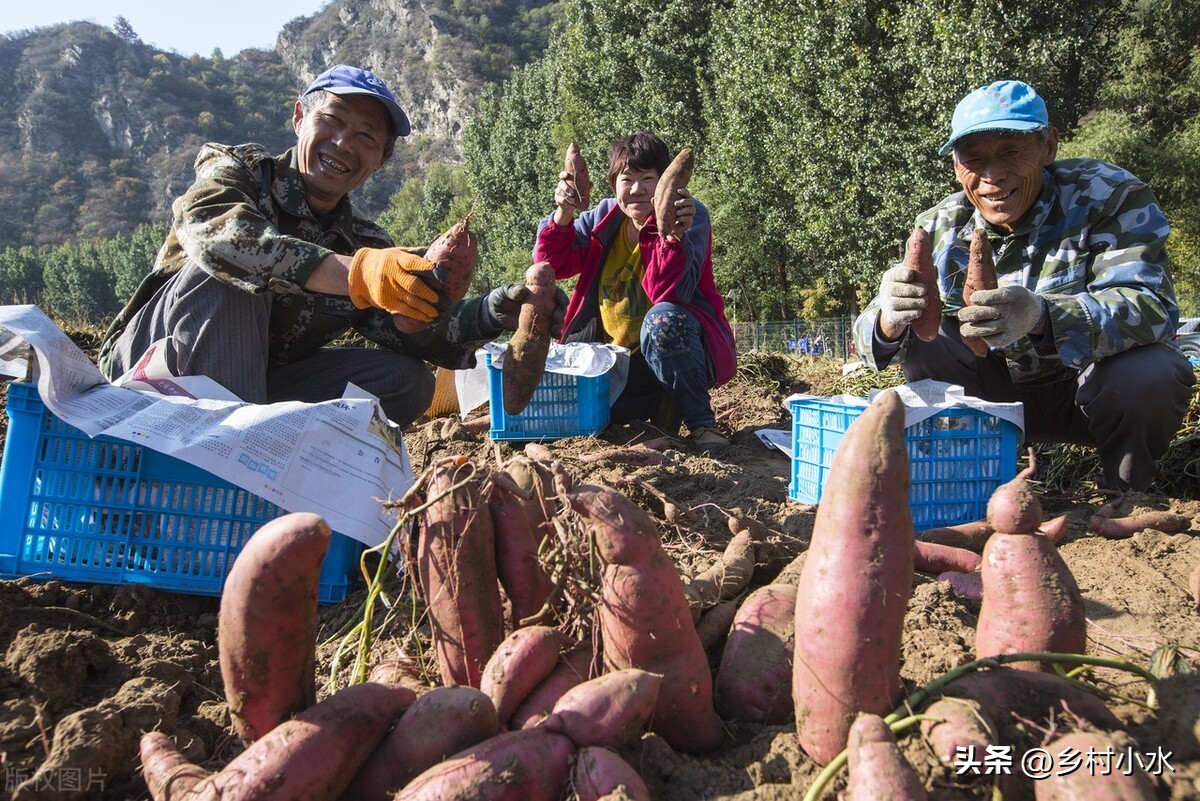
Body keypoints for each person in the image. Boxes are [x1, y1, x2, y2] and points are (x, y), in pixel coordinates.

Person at [99, 65, 563, 428]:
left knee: (405, 382)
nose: (343, 143)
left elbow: (407, 330)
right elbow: (219, 237)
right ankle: (228, 467)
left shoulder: (365, 243)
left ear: (380, 160)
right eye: (332, 120)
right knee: (228, 273)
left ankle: (263, 448)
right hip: (158, 367)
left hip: (255, 389)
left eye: (366, 136)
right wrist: (355, 275)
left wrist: (495, 313)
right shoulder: (237, 170)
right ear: (300, 118)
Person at [853, 79, 1195, 492]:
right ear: (955, 165)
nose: (992, 176)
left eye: (1011, 152)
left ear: (1048, 146)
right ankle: (965, 486)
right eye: (973, 159)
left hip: (1088, 394)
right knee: (929, 336)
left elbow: (1150, 305)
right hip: (992, 402)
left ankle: (1127, 494)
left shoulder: (1109, 197)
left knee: (1150, 370)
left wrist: (1042, 315)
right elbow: (870, 340)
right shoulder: (941, 224)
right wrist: (887, 318)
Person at [533, 131, 737, 454]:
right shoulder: (604, 219)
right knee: (592, 418)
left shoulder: (690, 216)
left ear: (665, 182)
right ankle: (661, 402)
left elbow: (666, 291)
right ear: (614, 185)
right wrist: (563, 214)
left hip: (680, 349)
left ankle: (702, 425)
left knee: (661, 321)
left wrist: (670, 236)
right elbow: (549, 265)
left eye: (648, 179)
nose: (638, 189)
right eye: (628, 179)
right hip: (618, 363)